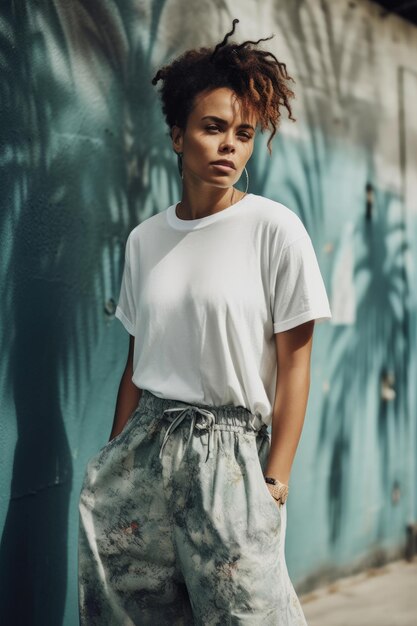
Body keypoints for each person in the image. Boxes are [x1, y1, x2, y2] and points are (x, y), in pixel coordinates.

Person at [78, 18, 332, 626]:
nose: (230, 147)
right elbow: (138, 364)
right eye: (213, 128)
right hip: (143, 448)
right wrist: (116, 454)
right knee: (133, 615)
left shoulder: (276, 229)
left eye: (244, 134)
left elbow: (295, 366)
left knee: (248, 616)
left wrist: (274, 483)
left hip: (233, 456)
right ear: (176, 134)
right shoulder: (145, 240)